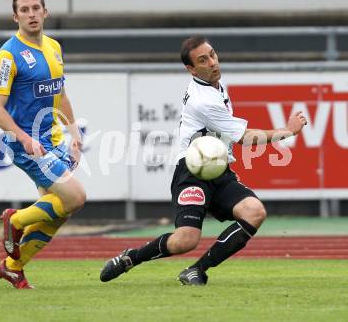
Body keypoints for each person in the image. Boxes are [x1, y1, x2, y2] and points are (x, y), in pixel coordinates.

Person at [100, 35, 307, 285]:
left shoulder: (215, 83)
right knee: (185, 240)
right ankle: (130, 258)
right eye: (203, 59)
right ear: (191, 69)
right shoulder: (203, 101)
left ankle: (197, 269)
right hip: (193, 170)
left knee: (254, 212)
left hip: (218, 167)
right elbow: (244, 137)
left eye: (213, 54)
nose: (212, 62)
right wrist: (289, 131)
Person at [0, 0, 86, 289]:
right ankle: (15, 221)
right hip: (27, 145)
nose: (31, 14)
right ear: (15, 16)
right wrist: (24, 138)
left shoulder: (54, 47)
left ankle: (13, 267)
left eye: (36, 8)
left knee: (59, 211)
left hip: (53, 138)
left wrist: (74, 134)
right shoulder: (7, 56)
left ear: (45, 12)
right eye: (25, 10)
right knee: (76, 198)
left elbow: (60, 94)